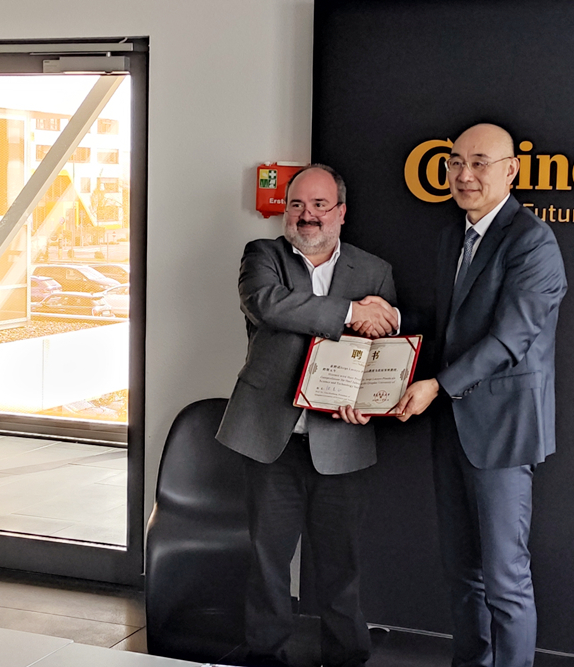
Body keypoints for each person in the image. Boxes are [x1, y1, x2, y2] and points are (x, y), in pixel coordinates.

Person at [393, 123, 567, 667]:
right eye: (454, 162)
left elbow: (510, 339)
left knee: (505, 579)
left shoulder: (532, 240)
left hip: (504, 430)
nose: (464, 174)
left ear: (511, 170)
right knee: (462, 573)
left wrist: (437, 385)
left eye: (479, 163)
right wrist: (393, 320)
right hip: (453, 426)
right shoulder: (454, 237)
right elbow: (449, 327)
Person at [216, 164, 398, 667]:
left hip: (342, 438)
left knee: (341, 563)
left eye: (319, 205)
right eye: (296, 204)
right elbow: (269, 306)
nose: (307, 214)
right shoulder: (263, 256)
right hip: (269, 438)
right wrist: (351, 313)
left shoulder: (374, 271)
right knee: (268, 561)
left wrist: (370, 399)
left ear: (341, 212)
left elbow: (385, 348)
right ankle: (265, 653)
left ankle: (346, 655)